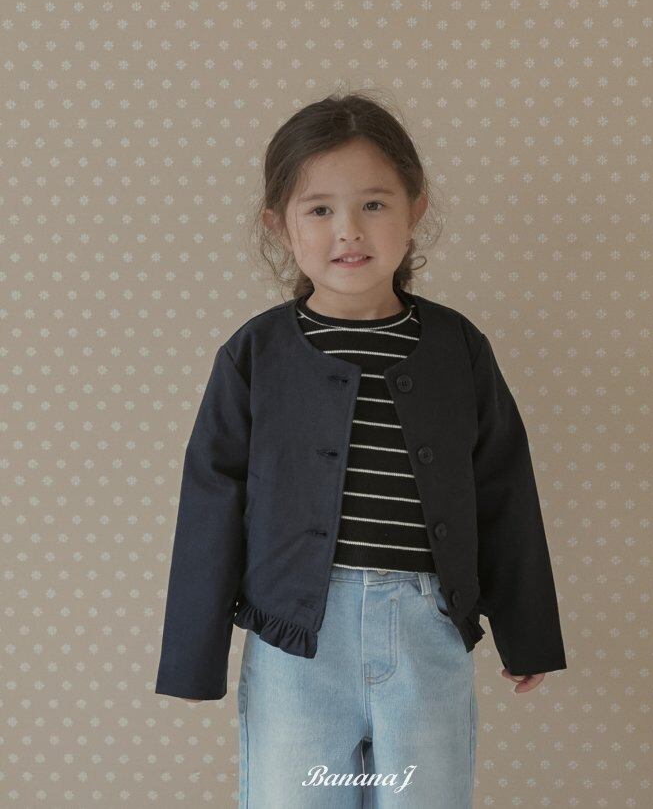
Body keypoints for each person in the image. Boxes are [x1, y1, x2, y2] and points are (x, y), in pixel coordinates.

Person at [154, 90, 567, 807]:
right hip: (295, 643)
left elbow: (502, 486)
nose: (348, 230)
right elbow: (212, 499)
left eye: (374, 204)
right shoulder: (254, 354)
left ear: (416, 210)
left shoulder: (458, 348)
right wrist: (194, 655)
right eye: (319, 209)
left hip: (427, 633)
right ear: (279, 225)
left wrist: (526, 632)